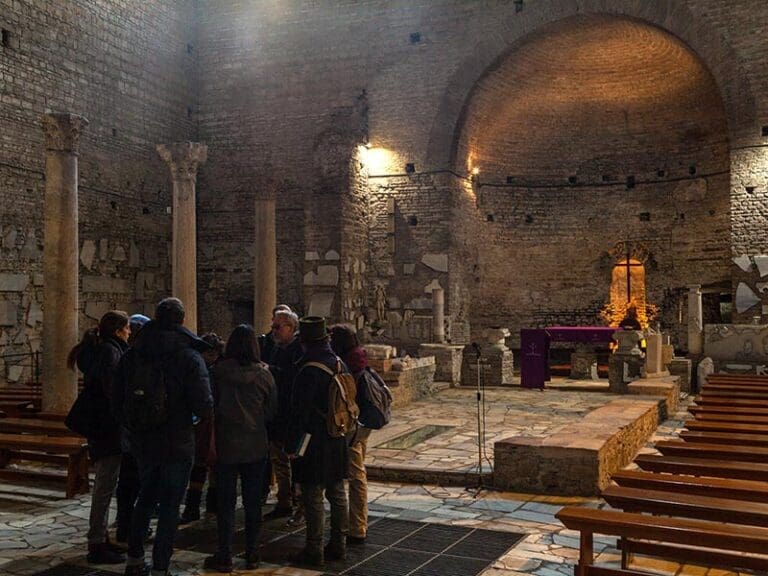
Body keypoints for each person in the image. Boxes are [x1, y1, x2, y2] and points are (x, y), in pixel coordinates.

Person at [114, 297, 213, 576]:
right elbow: (204, 404)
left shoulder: (134, 351)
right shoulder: (189, 355)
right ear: (182, 320)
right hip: (177, 439)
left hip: (144, 438)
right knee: (170, 505)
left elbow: (117, 395)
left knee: (145, 497)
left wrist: (132, 425)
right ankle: (160, 566)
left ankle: (134, 560)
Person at [203, 325, 277, 572]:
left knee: (225, 503)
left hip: (225, 444)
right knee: (253, 502)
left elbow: (209, 406)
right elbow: (271, 411)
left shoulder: (217, 373)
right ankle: (253, 553)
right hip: (255, 444)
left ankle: (224, 554)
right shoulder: (264, 375)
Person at [67, 310, 131, 565]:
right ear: (117, 331)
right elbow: (113, 392)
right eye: (127, 328)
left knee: (107, 484)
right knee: (105, 486)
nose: (129, 332)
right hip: (109, 428)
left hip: (102, 426)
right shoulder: (111, 352)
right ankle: (96, 543)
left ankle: (102, 536)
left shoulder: (101, 350)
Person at [287, 316, 349, 567]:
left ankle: (314, 550)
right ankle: (339, 545)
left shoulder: (308, 369)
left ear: (304, 341)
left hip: (313, 439)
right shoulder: (338, 363)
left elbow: (299, 411)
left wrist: (292, 444)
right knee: (337, 492)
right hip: (337, 434)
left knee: (313, 494)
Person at [329, 324, 371, 545]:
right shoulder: (359, 357)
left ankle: (357, 526)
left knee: (355, 473)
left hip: (353, 423)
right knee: (358, 471)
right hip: (363, 423)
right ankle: (357, 522)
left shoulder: (348, 364)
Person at [180, 332, 225, 524]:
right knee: (203, 463)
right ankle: (200, 506)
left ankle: (200, 506)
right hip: (207, 421)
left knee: (208, 462)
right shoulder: (211, 368)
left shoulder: (213, 370)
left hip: (209, 421)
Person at [263, 309, 302, 520]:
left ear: (291, 328)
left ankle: (296, 501)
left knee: (294, 459)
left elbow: (293, 380)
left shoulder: (298, 350)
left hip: (291, 415)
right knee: (279, 460)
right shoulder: (278, 347)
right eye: (273, 327)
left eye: (278, 327)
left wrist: (271, 371)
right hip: (278, 415)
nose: (274, 331)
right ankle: (285, 499)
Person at [115, 313, 150, 544]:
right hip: (138, 431)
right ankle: (131, 529)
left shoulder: (125, 359)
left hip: (129, 429)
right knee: (135, 483)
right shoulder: (137, 360)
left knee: (128, 484)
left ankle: (125, 524)